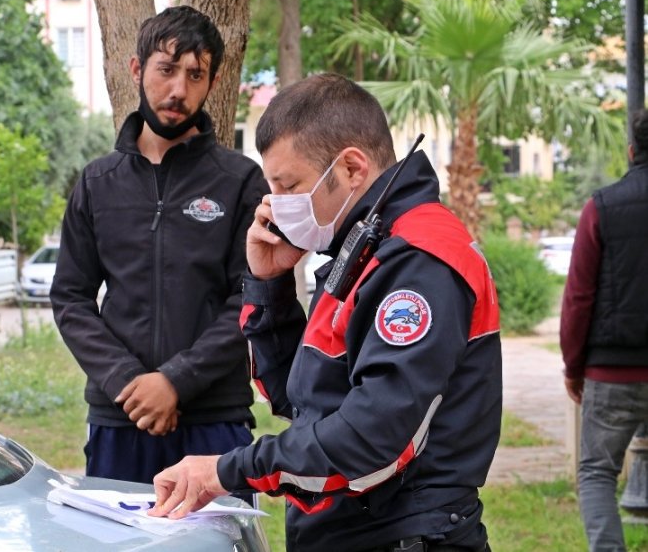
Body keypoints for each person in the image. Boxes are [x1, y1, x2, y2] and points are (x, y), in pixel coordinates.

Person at [149, 74, 502, 552]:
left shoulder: (420, 258)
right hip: (353, 531)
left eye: (289, 184)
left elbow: (368, 438)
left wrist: (224, 470)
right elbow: (301, 401)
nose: (274, 205)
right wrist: (269, 285)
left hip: (402, 535)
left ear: (352, 167)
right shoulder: (365, 246)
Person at [49, 5, 269, 486]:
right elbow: (70, 298)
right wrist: (129, 382)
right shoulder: (97, 183)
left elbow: (251, 298)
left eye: (195, 75)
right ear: (136, 69)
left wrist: (175, 381)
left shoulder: (239, 181)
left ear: (212, 82)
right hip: (120, 418)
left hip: (214, 421)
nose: (178, 90)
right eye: (166, 70)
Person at [561, 108, 648, 552]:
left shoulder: (602, 208)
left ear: (632, 152)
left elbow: (579, 297)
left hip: (612, 371)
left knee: (597, 472)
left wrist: (574, 367)